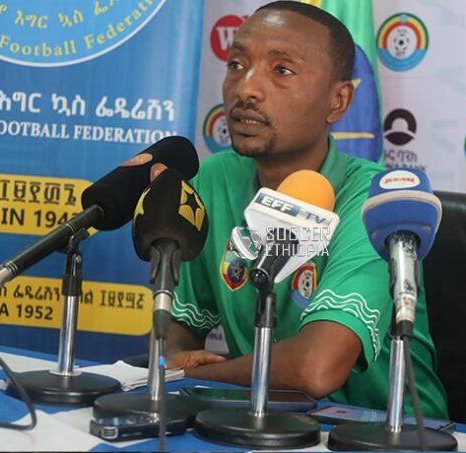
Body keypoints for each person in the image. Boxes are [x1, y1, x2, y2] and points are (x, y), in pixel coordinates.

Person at [166, 1, 448, 419]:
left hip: (388, 432)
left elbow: (317, 368)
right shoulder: (216, 178)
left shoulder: (377, 201)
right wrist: (177, 358)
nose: (246, 89)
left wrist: (202, 376)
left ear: (338, 101)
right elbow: (182, 326)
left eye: (281, 70)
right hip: (260, 421)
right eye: (237, 65)